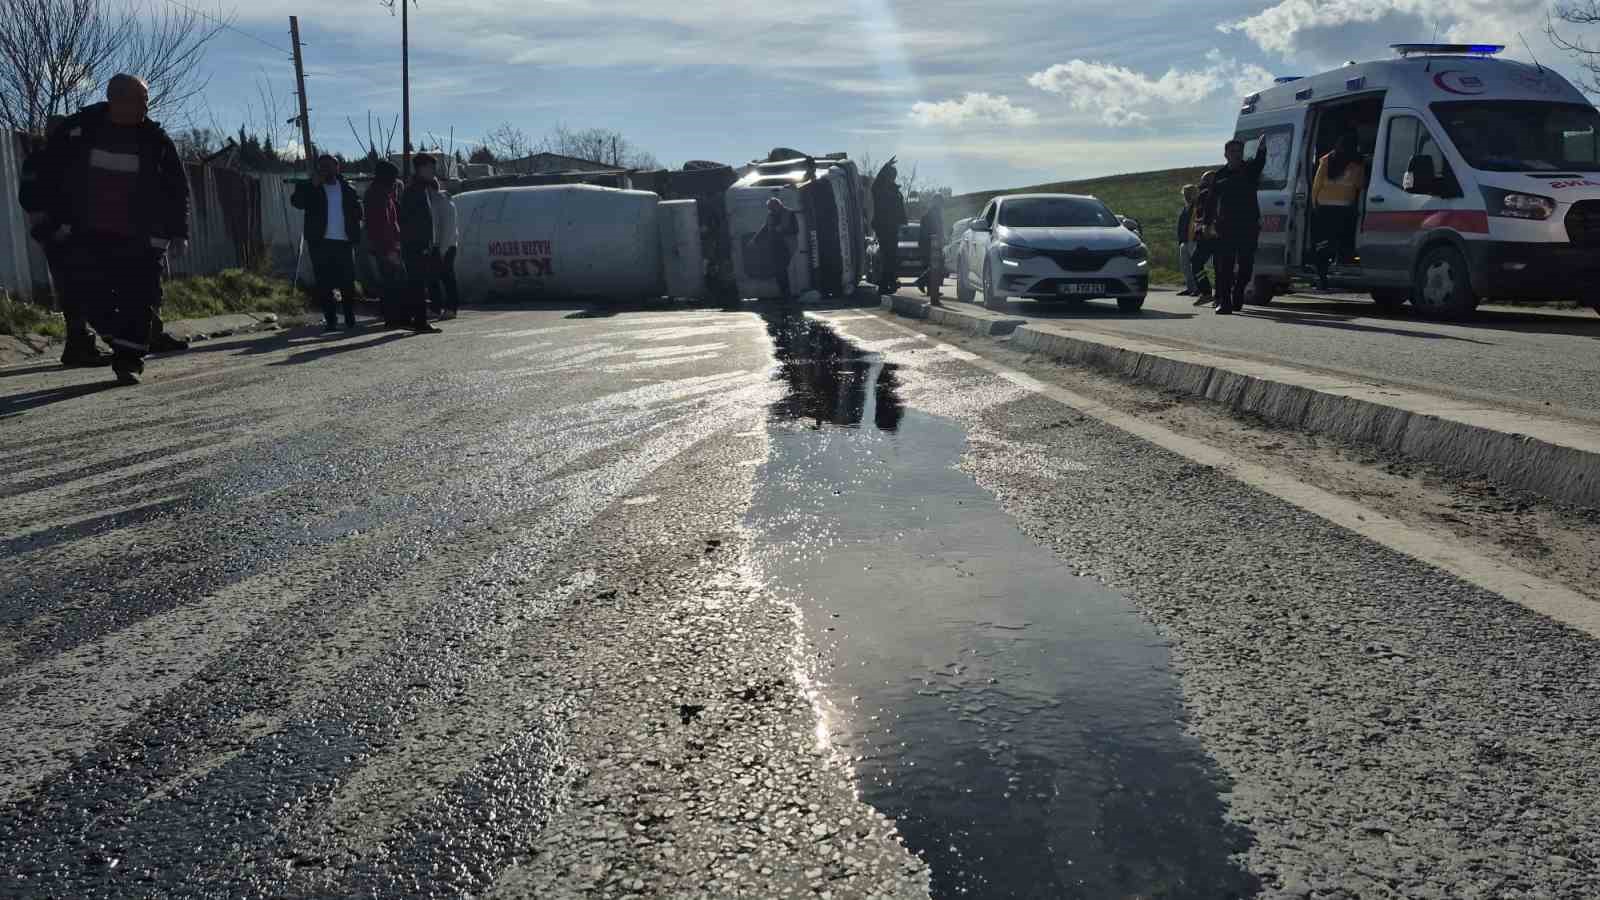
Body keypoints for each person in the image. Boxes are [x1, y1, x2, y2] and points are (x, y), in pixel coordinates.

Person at [30, 74, 189, 384]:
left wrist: (179, 232)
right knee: (92, 296)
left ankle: (128, 361)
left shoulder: (155, 140)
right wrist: (51, 223)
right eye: (140, 100)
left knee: (140, 296)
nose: (146, 107)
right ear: (116, 99)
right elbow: (44, 177)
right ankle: (121, 340)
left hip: (141, 236)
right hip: (88, 234)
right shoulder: (78, 130)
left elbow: (177, 189)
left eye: (146, 100)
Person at [18, 116, 108, 367]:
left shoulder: (72, 157)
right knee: (74, 288)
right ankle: (79, 345)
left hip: (75, 233)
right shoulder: (43, 160)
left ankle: (79, 344)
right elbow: (30, 199)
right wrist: (54, 228)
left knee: (77, 288)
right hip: (59, 234)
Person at [291, 154, 364, 331]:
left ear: (337, 167)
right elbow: (297, 202)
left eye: (329, 166)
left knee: (347, 282)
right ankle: (331, 320)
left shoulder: (347, 188)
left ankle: (349, 318)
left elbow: (358, 212)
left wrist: (355, 232)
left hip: (344, 242)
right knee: (324, 283)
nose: (326, 169)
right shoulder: (309, 187)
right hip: (320, 242)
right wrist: (312, 186)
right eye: (322, 166)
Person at [1209, 138, 1269, 315]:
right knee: (1225, 266)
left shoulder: (1249, 170)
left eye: (1239, 152)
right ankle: (1225, 302)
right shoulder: (1219, 175)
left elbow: (1260, 163)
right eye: (1233, 152)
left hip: (1248, 225)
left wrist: (1262, 150)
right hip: (1225, 225)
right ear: (1226, 154)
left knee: (1246, 266)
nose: (1236, 155)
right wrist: (1207, 224)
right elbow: (1211, 201)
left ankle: (1238, 291)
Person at [1310, 132, 1365, 290]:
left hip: (1323, 207)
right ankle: (1340, 265)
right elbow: (1361, 185)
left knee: (1324, 243)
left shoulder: (1326, 160)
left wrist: (1314, 205)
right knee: (1340, 241)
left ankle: (1322, 276)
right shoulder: (1357, 163)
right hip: (1344, 208)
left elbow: (1316, 185)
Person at [397, 154, 443, 333]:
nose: (434, 172)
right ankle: (420, 322)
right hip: (415, 245)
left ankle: (413, 319)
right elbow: (412, 221)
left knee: (417, 283)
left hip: (418, 244)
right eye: (431, 168)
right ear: (421, 169)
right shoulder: (414, 191)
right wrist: (422, 244)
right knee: (417, 284)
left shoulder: (420, 189)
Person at [364, 160, 406, 328]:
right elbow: (382, 224)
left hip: (386, 245)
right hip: (386, 246)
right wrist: (390, 248)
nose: (395, 181)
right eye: (393, 177)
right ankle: (393, 318)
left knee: (392, 281)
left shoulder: (383, 193)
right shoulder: (378, 195)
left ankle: (393, 317)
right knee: (393, 282)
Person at [425, 175, 460, 319]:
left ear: (429, 188)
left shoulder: (441, 202)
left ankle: (450, 308)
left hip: (444, 245)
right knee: (434, 278)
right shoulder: (438, 201)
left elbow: (447, 228)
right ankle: (436, 307)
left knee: (446, 278)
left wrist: (442, 249)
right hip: (440, 245)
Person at [871, 158, 906, 295]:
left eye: (894, 176)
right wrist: (885, 166)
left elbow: (900, 209)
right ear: (887, 176)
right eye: (891, 175)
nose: (893, 178)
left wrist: (903, 222)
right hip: (883, 227)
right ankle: (885, 284)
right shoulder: (880, 190)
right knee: (887, 255)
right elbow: (875, 184)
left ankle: (890, 281)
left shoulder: (895, 191)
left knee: (892, 256)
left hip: (893, 227)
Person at [759, 196, 800, 300]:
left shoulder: (790, 213)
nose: (771, 210)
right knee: (778, 270)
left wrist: (781, 230)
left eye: (772, 208)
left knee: (781, 269)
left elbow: (795, 229)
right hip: (774, 246)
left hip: (786, 245)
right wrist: (755, 240)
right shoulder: (770, 215)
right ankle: (784, 293)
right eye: (770, 209)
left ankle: (786, 293)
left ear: (779, 205)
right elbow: (765, 228)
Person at [1188, 171, 1217, 306]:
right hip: (1207, 235)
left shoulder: (1207, 194)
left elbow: (1206, 216)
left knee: (1197, 263)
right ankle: (1214, 295)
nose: (1201, 183)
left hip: (1209, 236)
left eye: (1204, 180)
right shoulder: (1204, 195)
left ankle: (1208, 293)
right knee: (1218, 266)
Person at [919, 201, 946, 304]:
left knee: (933, 267)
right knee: (936, 267)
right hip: (931, 245)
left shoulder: (929, 215)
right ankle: (922, 282)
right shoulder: (933, 216)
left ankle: (932, 291)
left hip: (930, 244)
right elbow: (934, 231)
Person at [1176, 184, 1198, 298]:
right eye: (1185, 194)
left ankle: (1198, 288)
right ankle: (1190, 288)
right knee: (1185, 266)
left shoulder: (1197, 206)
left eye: (1188, 193)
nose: (1186, 196)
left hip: (1194, 240)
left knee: (1195, 265)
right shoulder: (1185, 208)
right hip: (1185, 241)